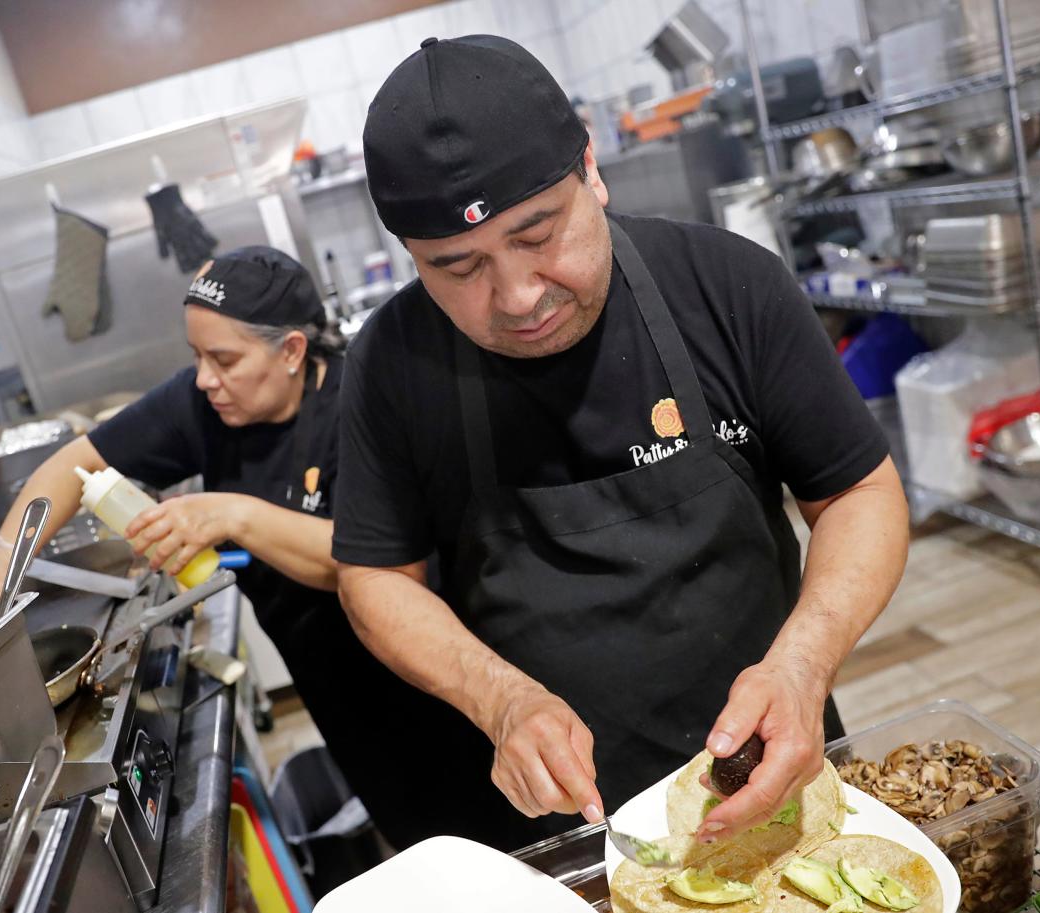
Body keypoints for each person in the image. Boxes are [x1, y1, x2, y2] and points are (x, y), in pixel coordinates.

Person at [332, 35, 911, 850]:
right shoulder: (391, 362)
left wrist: (803, 664)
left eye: (537, 234)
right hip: (558, 821)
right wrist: (500, 700)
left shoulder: (730, 287)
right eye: (458, 268)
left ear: (591, 172)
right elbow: (373, 575)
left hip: (774, 768)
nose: (519, 294)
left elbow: (860, 492)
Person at [0, 246, 490, 851]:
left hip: (433, 673)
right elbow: (75, 464)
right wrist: (2, 555)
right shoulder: (202, 402)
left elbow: (378, 562)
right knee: (417, 838)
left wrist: (235, 513)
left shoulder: (359, 399)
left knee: (492, 830)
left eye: (225, 359)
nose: (205, 377)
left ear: (291, 351)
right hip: (334, 684)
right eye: (197, 356)